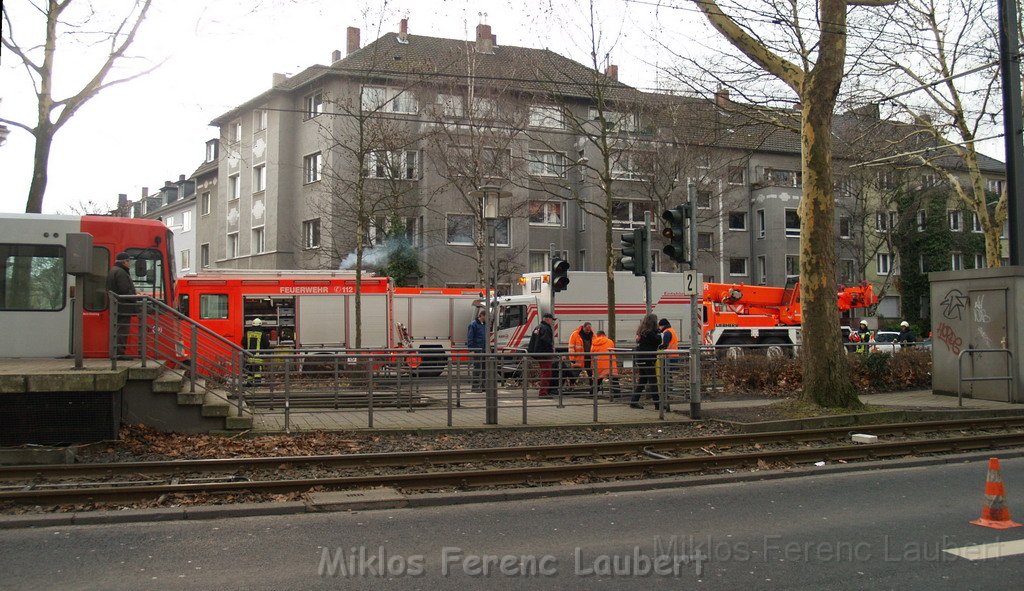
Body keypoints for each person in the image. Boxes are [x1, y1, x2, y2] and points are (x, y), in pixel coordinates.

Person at [106, 251, 136, 359]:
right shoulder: (121, 272)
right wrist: (135, 297)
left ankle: (117, 352)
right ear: (124, 261)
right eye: (129, 261)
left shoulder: (114, 271)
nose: (130, 264)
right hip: (123, 307)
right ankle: (119, 353)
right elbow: (124, 290)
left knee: (118, 329)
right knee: (122, 330)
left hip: (117, 306)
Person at [630, 314, 662, 409]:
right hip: (647, 358)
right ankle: (657, 404)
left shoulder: (641, 331)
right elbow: (658, 341)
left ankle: (634, 401)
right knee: (653, 381)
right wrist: (658, 332)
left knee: (642, 380)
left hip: (640, 358)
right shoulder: (651, 332)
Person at [527, 312, 556, 397]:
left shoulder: (538, 327)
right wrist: (551, 352)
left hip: (538, 353)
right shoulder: (546, 328)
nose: (552, 322)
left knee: (544, 372)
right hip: (544, 354)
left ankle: (544, 391)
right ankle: (543, 393)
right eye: (551, 320)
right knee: (547, 373)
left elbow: (533, 341)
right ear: (547, 319)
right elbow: (547, 342)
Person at [591, 330, 620, 396]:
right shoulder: (610, 341)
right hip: (610, 363)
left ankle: (593, 392)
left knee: (597, 379)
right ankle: (617, 394)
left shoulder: (593, 343)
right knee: (613, 379)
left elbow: (592, 354)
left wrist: (592, 365)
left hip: (598, 364)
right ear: (604, 335)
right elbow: (613, 350)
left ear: (598, 335)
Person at [568, 322, 595, 391]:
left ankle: (594, 387)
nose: (588, 332)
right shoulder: (575, 334)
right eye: (586, 330)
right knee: (574, 374)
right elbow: (571, 347)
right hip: (578, 359)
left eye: (589, 330)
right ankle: (571, 386)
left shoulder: (593, 335)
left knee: (591, 374)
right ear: (583, 327)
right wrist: (572, 359)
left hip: (589, 358)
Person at [467, 309, 487, 392]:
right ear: (482, 315)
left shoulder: (484, 324)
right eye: (486, 316)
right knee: (477, 368)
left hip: (483, 349)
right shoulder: (473, 324)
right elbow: (470, 337)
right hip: (477, 349)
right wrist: (471, 349)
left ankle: (483, 386)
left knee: (484, 368)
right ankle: (475, 387)